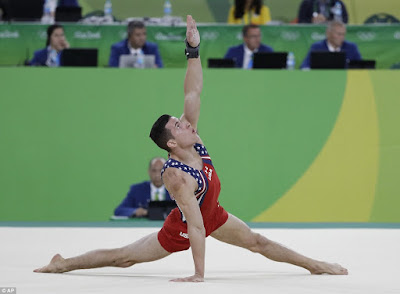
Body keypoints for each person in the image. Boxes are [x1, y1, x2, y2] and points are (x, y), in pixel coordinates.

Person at [33, 15, 348, 282]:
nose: (186, 123)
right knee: (125, 258)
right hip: (183, 228)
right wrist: (199, 274)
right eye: (178, 125)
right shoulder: (176, 176)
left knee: (258, 242)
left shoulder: (193, 138)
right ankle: (64, 263)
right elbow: (195, 225)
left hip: (214, 214)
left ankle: (315, 266)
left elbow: (193, 91)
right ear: (172, 143)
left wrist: (193, 50)